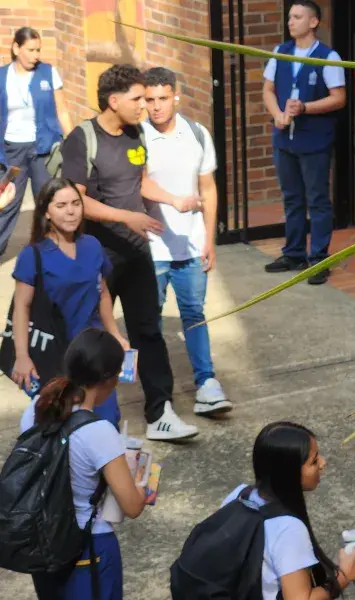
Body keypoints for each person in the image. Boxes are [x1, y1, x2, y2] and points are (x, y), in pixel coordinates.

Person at [60, 64, 197, 441]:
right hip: (97, 256)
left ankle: (160, 414)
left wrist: (173, 200)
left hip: (136, 253)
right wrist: (127, 217)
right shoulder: (81, 139)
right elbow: (76, 202)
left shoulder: (135, 134)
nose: (144, 105)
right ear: (113, 100)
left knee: (148, 331)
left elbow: (141, 181)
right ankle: (94, 420)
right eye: (137, 98)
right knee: (92, 337)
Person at [21, 328, 146, 600]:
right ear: (109, 380)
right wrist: (143, 484)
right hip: (89, 549)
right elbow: (133, 506)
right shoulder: (99, 432)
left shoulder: (35, 409)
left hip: (43, 543)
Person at [142, 67, 230, 415]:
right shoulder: (138, 136)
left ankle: (207, 383)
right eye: (149, 100)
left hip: (191, 246)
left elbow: (207, 188)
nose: (156, 107)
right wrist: (174, 200)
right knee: (150, 323)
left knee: (194, 314)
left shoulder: (197, 133)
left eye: (163, 98)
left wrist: (210, 238)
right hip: (152, 247)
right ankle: (158, 395)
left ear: (175, 96)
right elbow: (139, 183)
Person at [11, 178, 129, 425]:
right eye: (61, 205)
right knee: (62, 430)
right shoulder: (34, 255)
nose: (71, 211)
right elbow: (22, 307)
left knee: (105, 423)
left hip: (93, 354)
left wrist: (115, 334)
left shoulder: (92, 246)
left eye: (76, 203)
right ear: (46, 212)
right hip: (55, 357)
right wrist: (21, 355)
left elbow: (103, 292)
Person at [222, 422, 355, 599]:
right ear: (288, 473)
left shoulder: (239, 495)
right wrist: (344, 576)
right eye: (313, 461)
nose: (323, 463)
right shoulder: (288, 528)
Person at [262, 0, 346, 285]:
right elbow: (268, 90)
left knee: (318, 200)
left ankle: (319, 259)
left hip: (314, 141)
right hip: (285, 138)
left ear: (313, 22)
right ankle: (294, 252)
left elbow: (338, 98)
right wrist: (277, 115)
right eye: (289, 17)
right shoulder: (280, 52)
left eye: (297, 17)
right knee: (292, 198)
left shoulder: (328, 56)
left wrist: (306, 108)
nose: (290, 22)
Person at [0, 27, 72, 257]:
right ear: (16, 48)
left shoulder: (48, 73)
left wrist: (73, 141)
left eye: (38, 50)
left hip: (44, 149)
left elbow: (62, 111)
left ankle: (49, 252)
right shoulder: (2, 77)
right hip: (12, 150)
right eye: (30, 50)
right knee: (7, 202)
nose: (36, 55)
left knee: (48, 202)